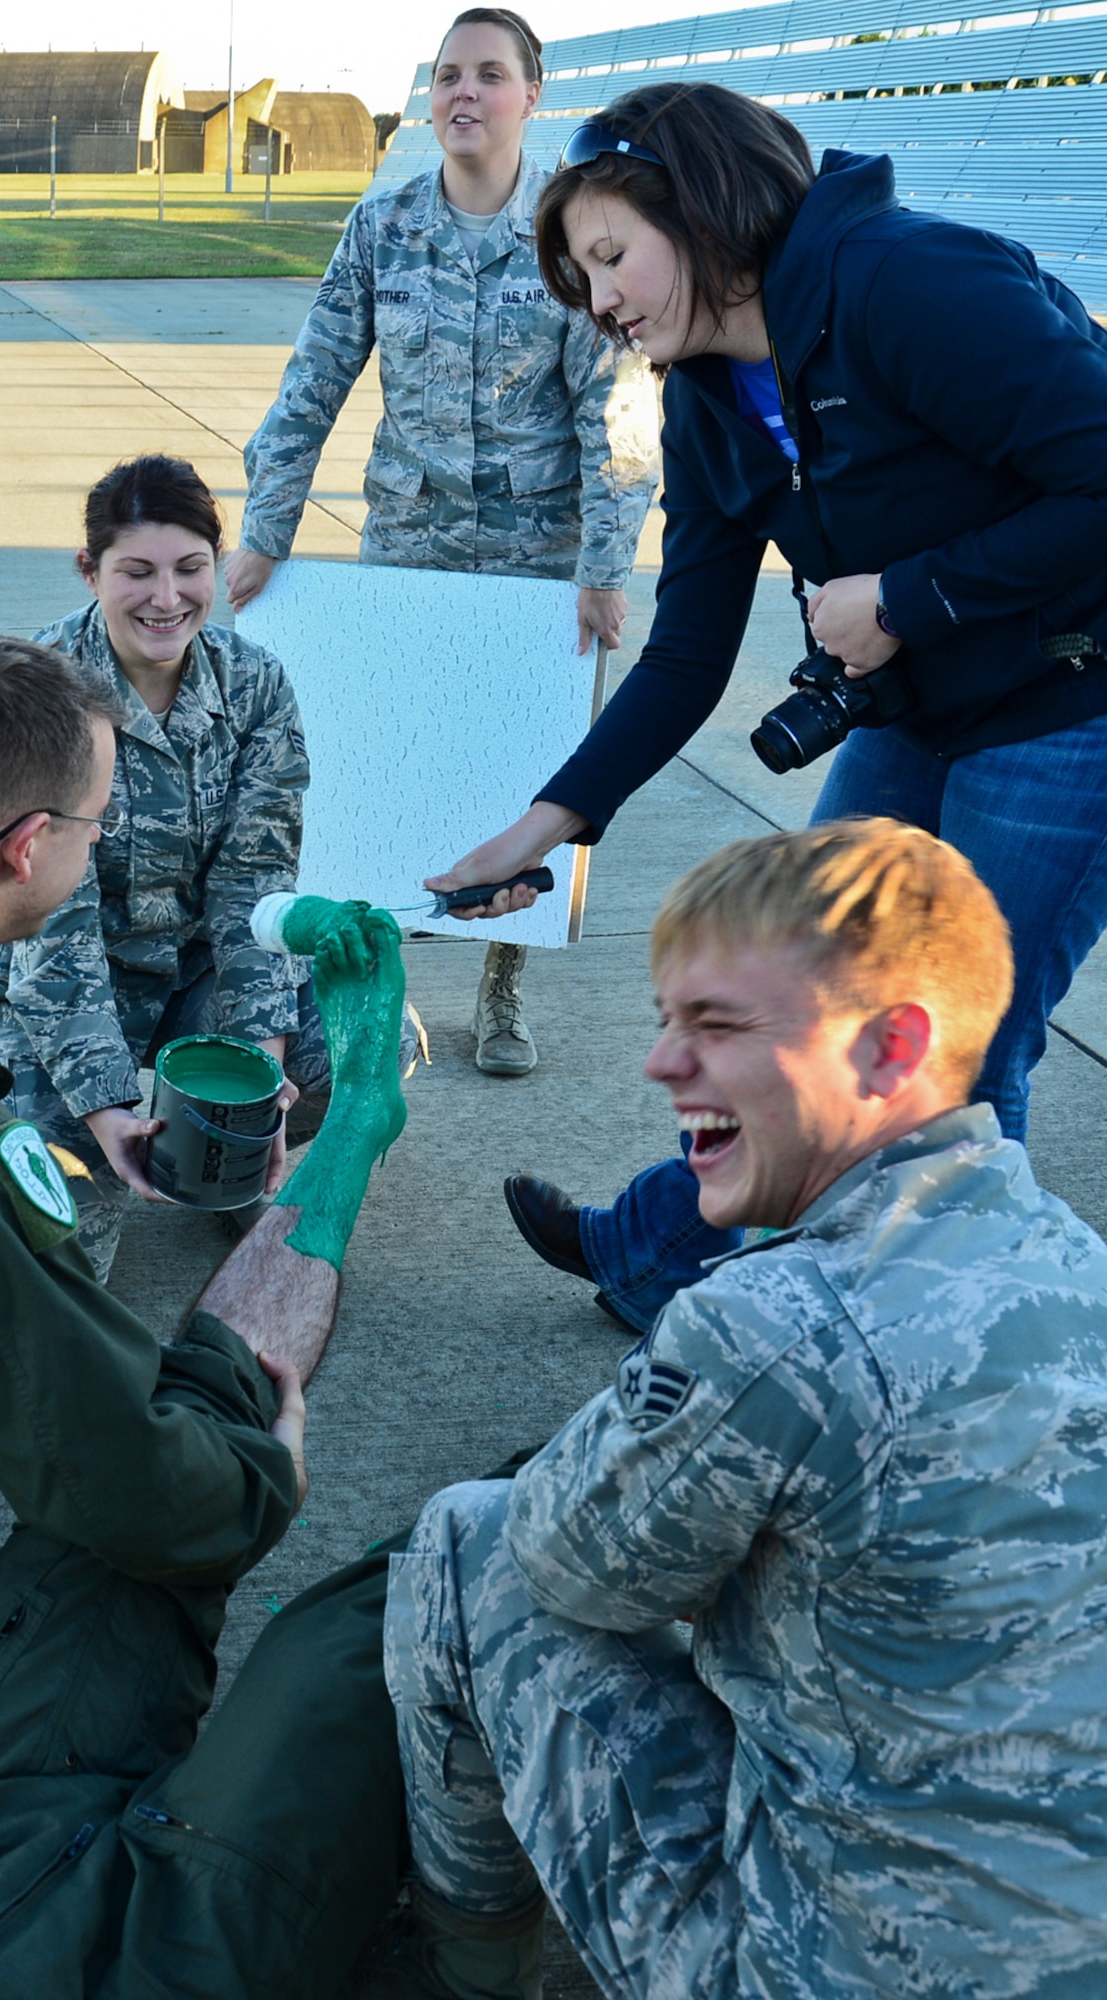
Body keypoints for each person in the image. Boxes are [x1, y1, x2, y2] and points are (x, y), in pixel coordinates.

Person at [0, 633, 413, 1994]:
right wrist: (250, 1470)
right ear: (25, 847)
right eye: (99, 819)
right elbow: (114, 1470)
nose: (107, 839)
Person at [376, 819, 1107, 2000]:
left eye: (717, 1026)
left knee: (470, 1545)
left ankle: (465, 1960)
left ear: (889, 1047)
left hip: (833, 1972)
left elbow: (568, 1568)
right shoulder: (1077, 1261)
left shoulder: (774, 1322)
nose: (661, 1062)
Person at [425, 80, 1107, 1330]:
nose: (604, 303)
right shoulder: (703, 395)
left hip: (1074, 697)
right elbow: (687, 649)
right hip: (915, 707)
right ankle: (673, 1257)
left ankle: (934, 1359)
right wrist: (548, 825)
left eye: (613, 257)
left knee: (949, 1048)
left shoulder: (907, 284)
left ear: (700, 207)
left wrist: (909, 593)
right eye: (585, 281)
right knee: (801, 993)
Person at [225, 7, 660, 1081]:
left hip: (535, 563)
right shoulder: (383, 229)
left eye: (490, 76)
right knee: (386, 762)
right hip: (408, 550)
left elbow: (617, 406)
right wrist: (266, 532)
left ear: (531, 95)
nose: (466, 94)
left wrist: (606, 565)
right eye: (448, 77)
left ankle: (502, 978)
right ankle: (381, 990)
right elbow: (313, 379)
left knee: (523, 775)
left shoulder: (571, 235)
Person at [0, 452, 393, 1283]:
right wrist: (104, 1112)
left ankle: (223, 1162)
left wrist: (257, 1087)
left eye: (190, 569)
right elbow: (50, 937)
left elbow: (257, 884)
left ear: (216, 565)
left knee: (363, 1045)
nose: (167, 599)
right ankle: (59, 1132)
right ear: (89, 570)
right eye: (136, 572)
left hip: (197, 974)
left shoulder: (254, 684)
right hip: (66, 994)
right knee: (60, 1267)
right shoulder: (39, 695)